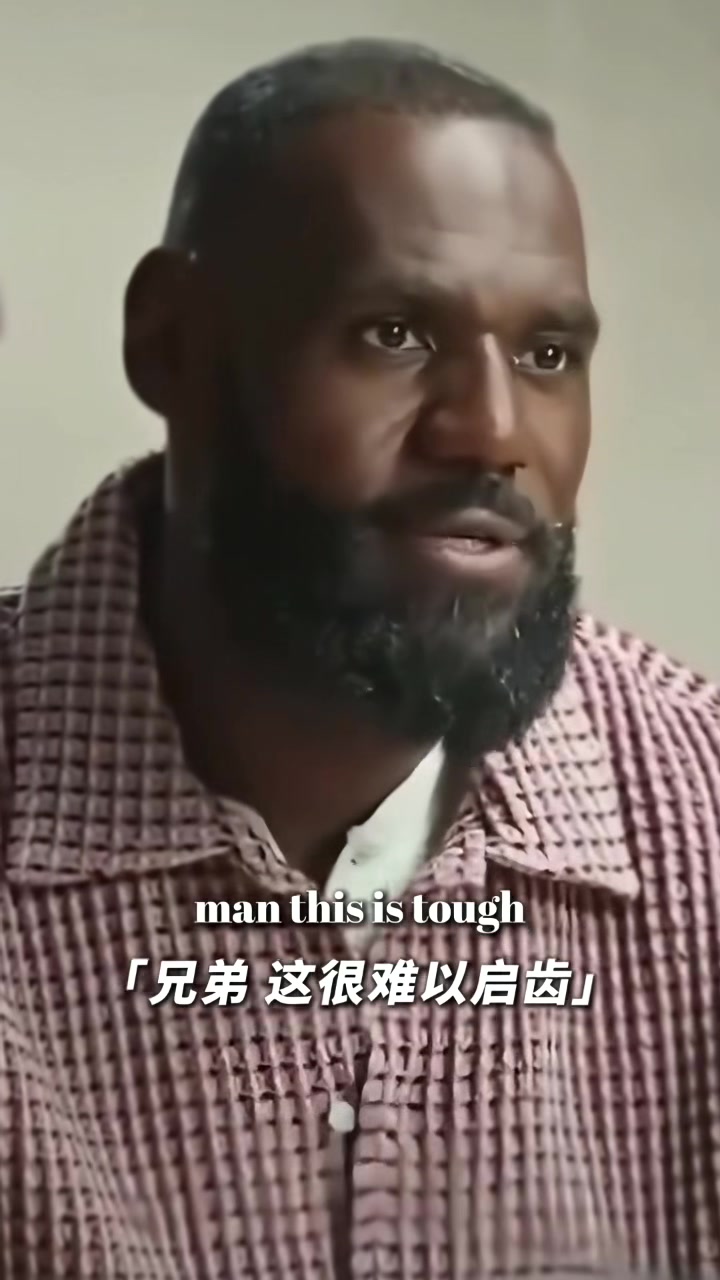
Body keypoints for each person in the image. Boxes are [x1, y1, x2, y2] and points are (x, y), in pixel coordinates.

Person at [0, 37, 717, 1280]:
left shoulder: (701, 808)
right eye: (394, 331)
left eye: (548, 354)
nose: (492, 430)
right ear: (170, 345)